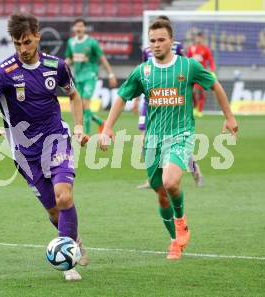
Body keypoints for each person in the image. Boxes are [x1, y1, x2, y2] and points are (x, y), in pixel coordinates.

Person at [100, 19, 238, 260]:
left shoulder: (188, 66)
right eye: (152, 41)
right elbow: (122, 97)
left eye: (161, 40)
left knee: (171, 182)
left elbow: (214, 85)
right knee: (161, 192)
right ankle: (175, 240)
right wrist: (108, 128)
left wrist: (229, 117)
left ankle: (181, 221)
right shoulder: (142, 72)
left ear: (172, 42)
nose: (156, 44)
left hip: (181, 135)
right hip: (153, 140)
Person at [0, 13, 88, 281]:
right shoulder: (3, 73)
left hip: (56, 139)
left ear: (37, 36)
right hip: (25, 153)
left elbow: (73, 95)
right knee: (53, 209)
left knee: (64, 196)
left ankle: (68, 259)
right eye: (17, 44)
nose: (23, 49)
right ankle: (75, 241)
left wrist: (78, 126)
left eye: (27, 42)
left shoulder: (56, 66)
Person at [135, 15, 203, 189]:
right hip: (150, 100)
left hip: (171, 100)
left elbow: (185, 70)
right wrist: (136, 99)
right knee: (145, 141)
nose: (157, 42)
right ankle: (152, 178)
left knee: (174, 143)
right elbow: (140, 77)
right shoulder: (146, 51)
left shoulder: (178, 48)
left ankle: (194, 169)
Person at [65, 18, 117, 135]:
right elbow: (70, 59)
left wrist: (111, 74)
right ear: (74, 28)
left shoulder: (92, 42)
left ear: (84, 28)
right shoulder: (71, 42)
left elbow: (102, 58)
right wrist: (60, 66)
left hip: (90, 76)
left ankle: (85, 134)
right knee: (79, 105)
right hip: (77, 77)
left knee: (85, 103)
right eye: (77, 26)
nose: (79, 28)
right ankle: (100, 122)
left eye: (81, 26)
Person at [187, 31, 216, 118]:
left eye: (200, 37)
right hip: (192, 74)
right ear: (195, 38)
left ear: (202, 39)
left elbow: (210, 60)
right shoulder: (191, 49)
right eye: (197, 37)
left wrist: (212, 70)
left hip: (201, 74)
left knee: (202, 93)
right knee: (193, 92)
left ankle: (200, 110)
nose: (198, 39)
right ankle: (195, 107)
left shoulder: (205, 49)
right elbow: (188, 60)